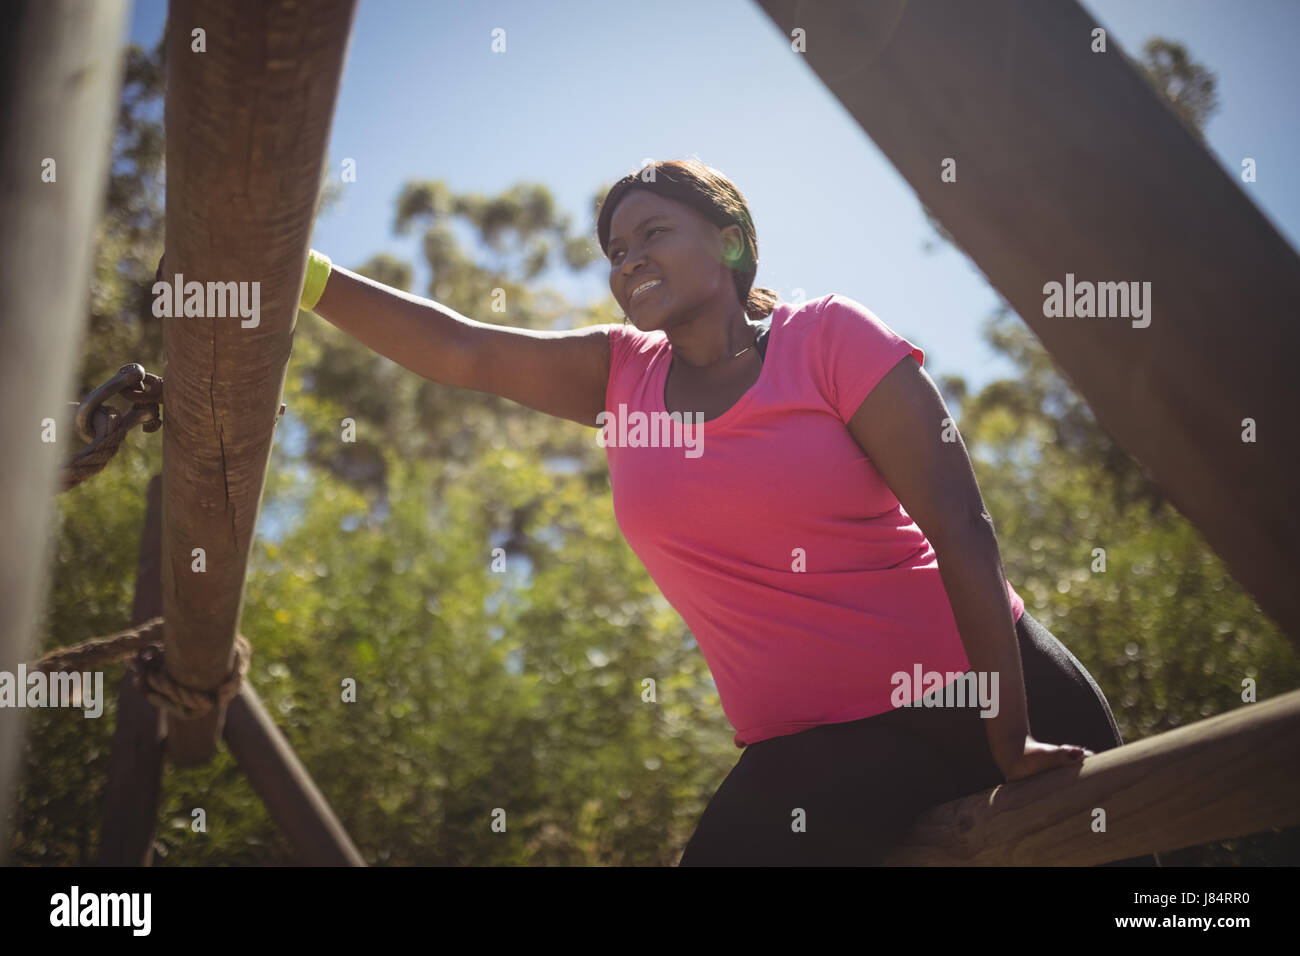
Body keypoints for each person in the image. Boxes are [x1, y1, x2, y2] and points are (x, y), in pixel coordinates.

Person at [296, 158, 1159, 867]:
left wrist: (1007, 734)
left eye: (653, 233)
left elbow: (962, 527)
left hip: (988, 696)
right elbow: (464, 347)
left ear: (732, 242)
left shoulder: (828, 339)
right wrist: (301, 275)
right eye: (615, 248)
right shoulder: (620, 378)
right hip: (816, 752)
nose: (627, 258)